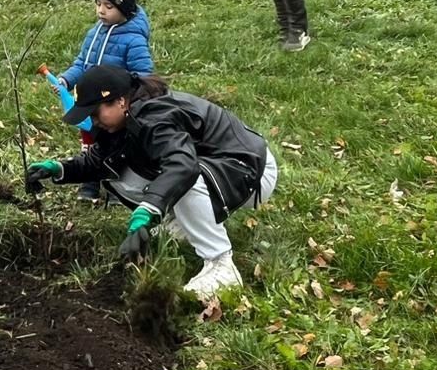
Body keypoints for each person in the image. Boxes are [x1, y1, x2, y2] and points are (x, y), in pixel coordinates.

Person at [27, 65, 278, 299]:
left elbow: (183, 165)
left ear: (120, 100)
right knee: (116, 175)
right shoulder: (119, 122)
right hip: (218, 170)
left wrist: (150, 208)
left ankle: (221, 264)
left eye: (95, 112)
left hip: (250, 170)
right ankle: (181, 225)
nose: (93, 121)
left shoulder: (155, 117)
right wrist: (58, 169)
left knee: (185, 179)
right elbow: (99, 162)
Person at [52, 0, 153, 201]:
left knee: (115, 146)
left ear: (124, 9)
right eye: (98, 4)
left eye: (108, 6)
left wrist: (130, 97)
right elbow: (82, 62)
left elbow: (144, 74)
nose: (101, 10)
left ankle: (118, 185)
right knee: (90, 142)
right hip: (90, 102)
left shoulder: (134, 40)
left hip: (112, 105)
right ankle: (90, 182)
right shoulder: (94, 34)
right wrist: (67, 79)